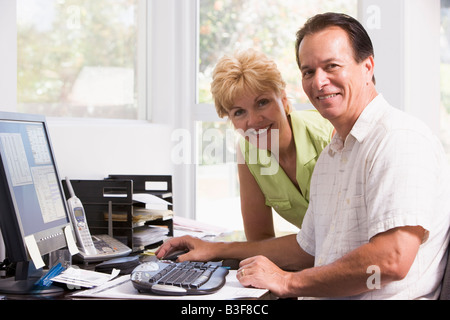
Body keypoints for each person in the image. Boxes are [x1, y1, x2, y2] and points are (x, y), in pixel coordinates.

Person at [157, 13, 450, 299]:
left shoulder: (398, 139)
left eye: (332, 66)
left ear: (367, 67)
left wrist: (288, 281)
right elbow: (306, 249)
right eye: (308, 71)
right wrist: (215, 250)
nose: (319, 82)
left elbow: (391, 261)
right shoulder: (335, 154)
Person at [210, 49, 334, 240]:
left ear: (283, 99)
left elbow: (339, 240)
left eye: (262, 103)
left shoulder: (329, 136)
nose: (253, 120)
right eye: (239, 112)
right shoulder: (248, 151)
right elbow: (260, 239)